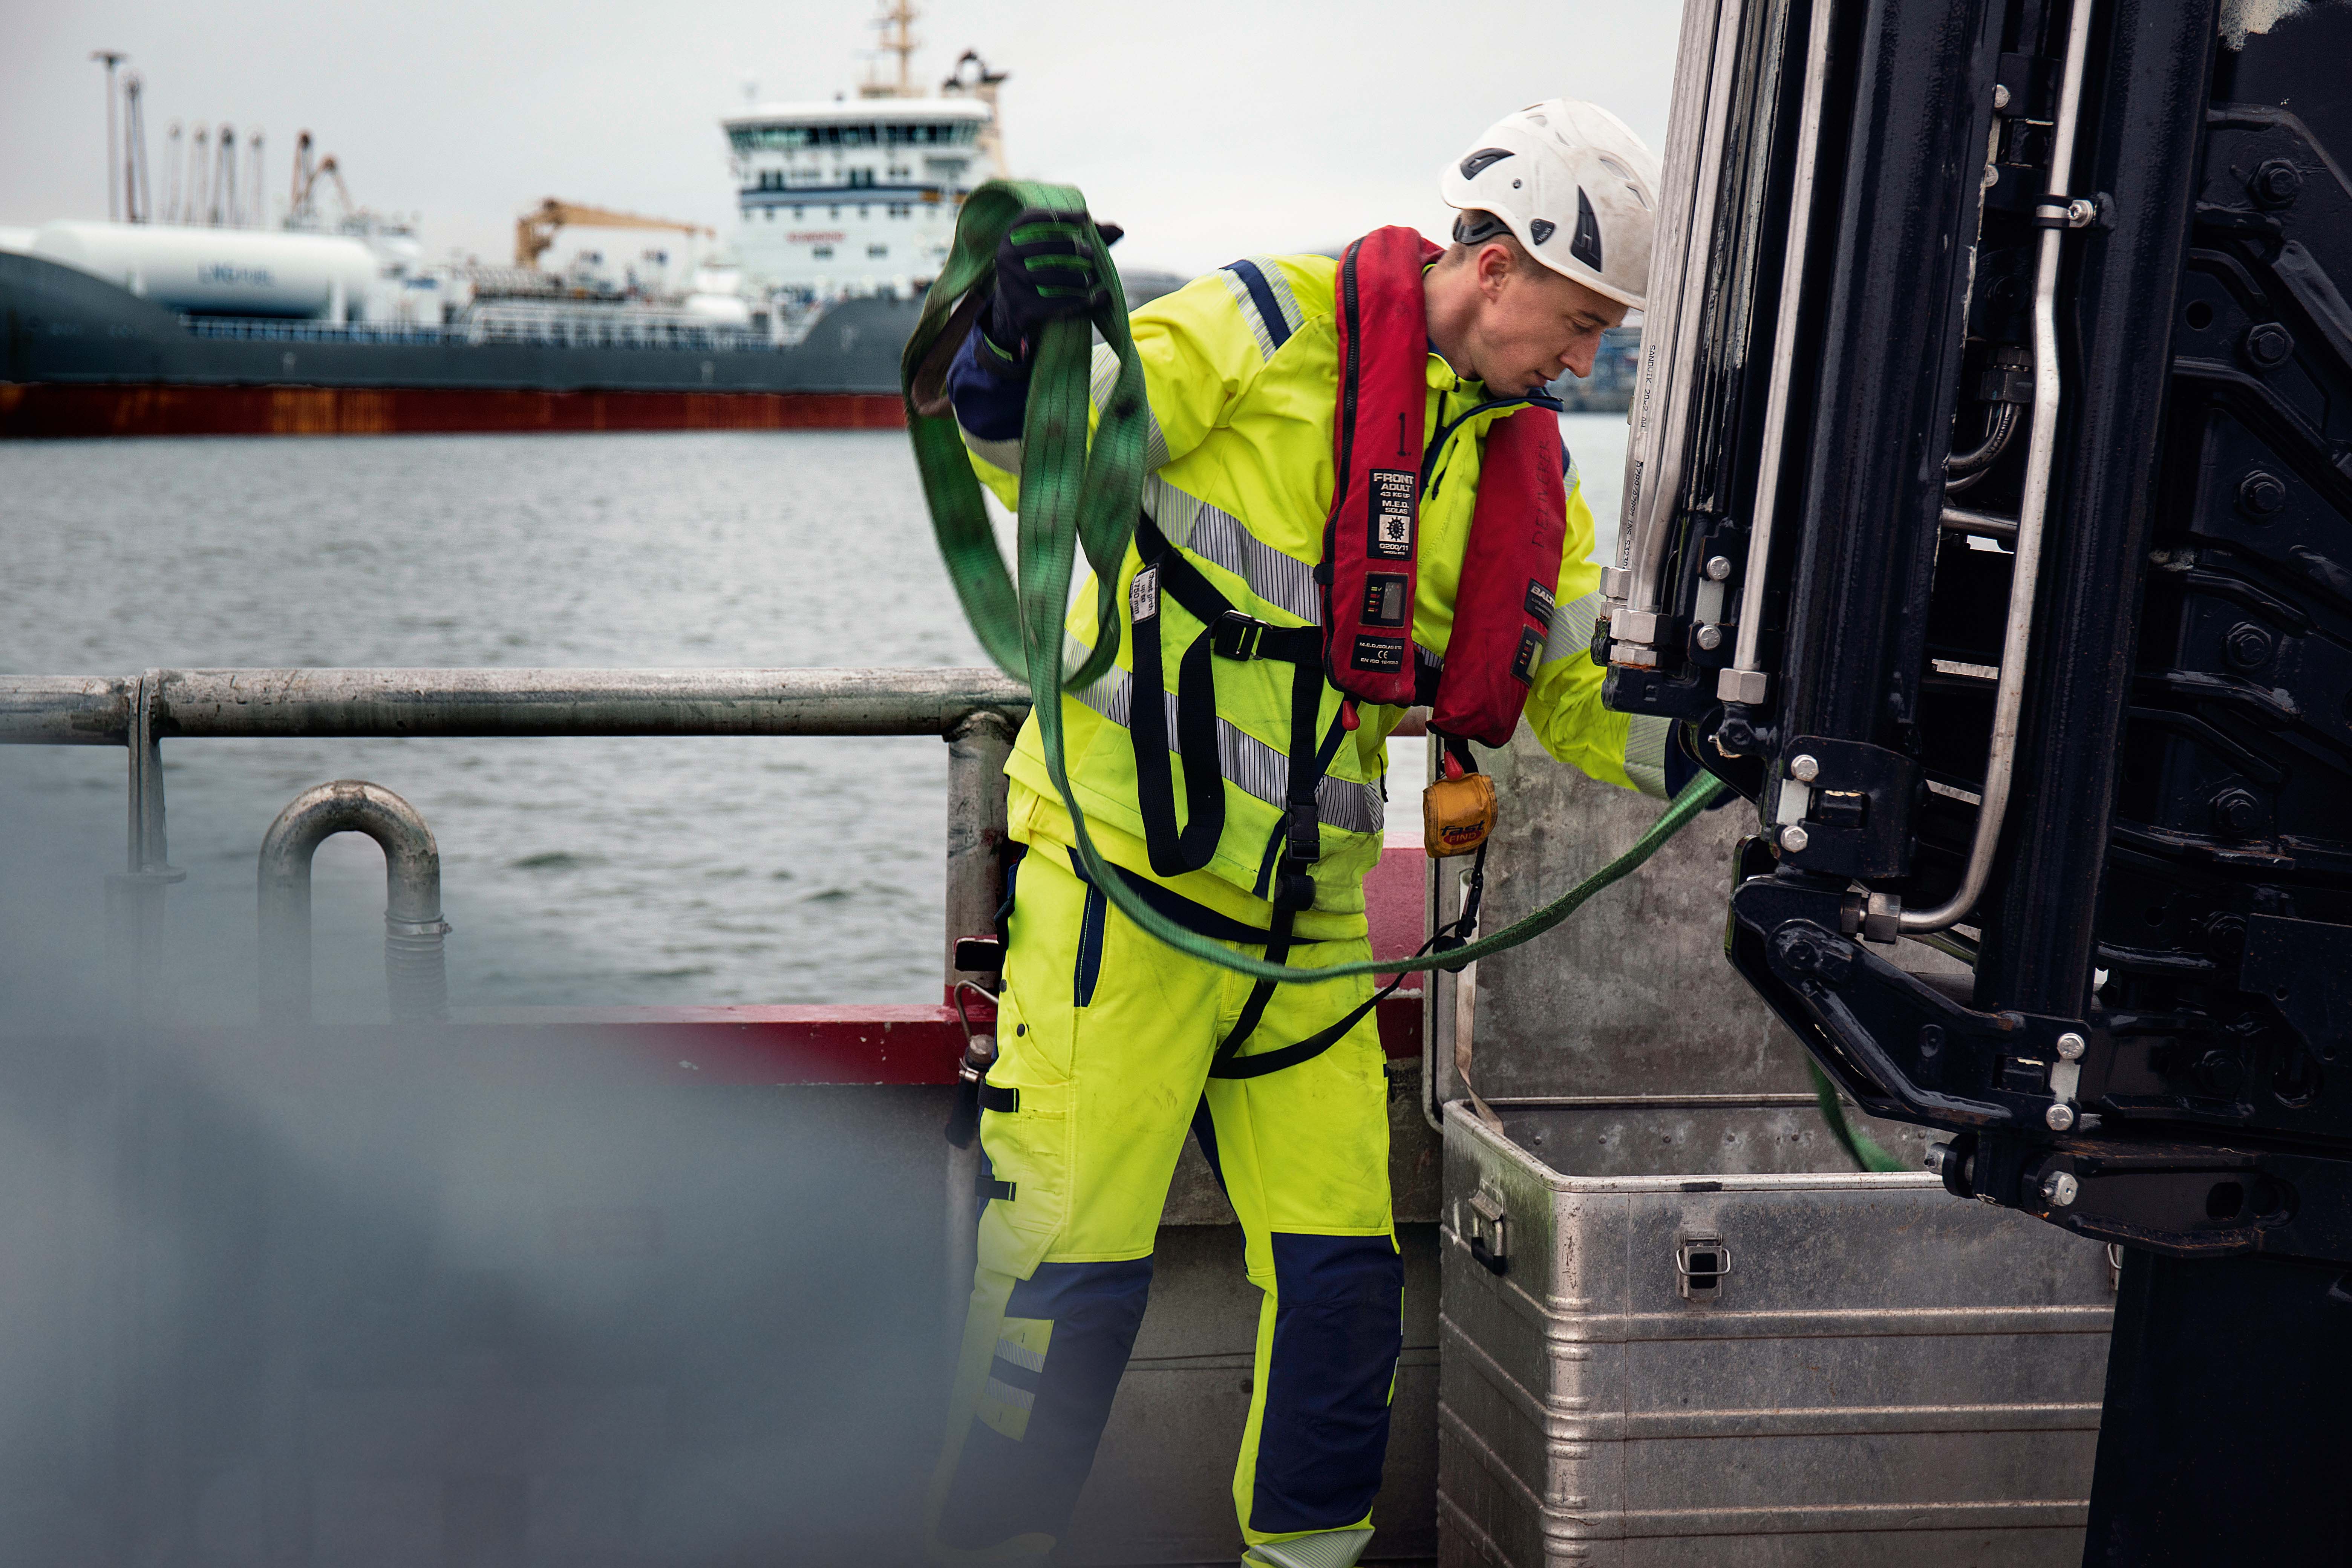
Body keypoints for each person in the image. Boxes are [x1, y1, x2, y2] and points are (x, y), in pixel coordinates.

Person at [926, 100, 1677, 1568]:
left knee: (1343, 1298)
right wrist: (1012, 344)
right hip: (1123, 901)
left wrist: (1733, 748)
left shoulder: (1529, 468)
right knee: (1056, 1297)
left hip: (1310, 935)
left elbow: (1578, 692)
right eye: (1581, 322)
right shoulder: (1269, 324)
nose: (1587, 362)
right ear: (1498, 266)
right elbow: (1045, 455)